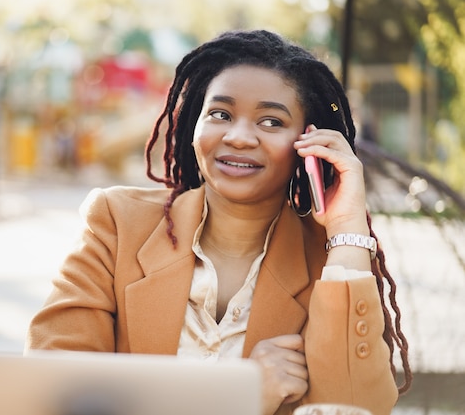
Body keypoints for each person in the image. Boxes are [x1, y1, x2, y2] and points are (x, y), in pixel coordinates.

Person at [25, 30, 412, 415]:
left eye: (272, 122)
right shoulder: (117, 223)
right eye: (220, 114)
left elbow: (356, 407)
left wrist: (346, 228)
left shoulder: (330, 264)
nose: (239, 137)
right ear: (195, 125)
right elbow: (55, 391)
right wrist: (238, 395)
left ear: (307, 143)